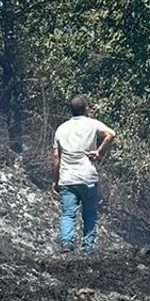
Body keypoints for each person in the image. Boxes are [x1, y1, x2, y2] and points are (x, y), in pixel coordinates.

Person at [51, 95, 116, 253]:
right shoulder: (92, 124)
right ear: (86, 108)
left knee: (68, 214)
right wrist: (99, 151)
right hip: (88, 177)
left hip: (67, 178)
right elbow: (111, 134)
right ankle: (88, 248)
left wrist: (55, 180)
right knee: (89, 215)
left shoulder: (61, 128)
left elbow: (55, 157)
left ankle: (67, 244)